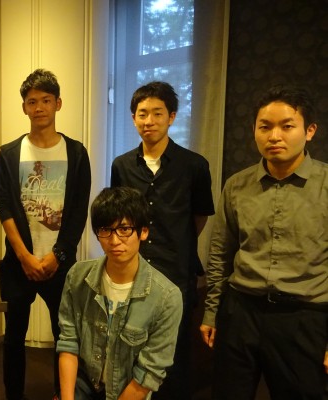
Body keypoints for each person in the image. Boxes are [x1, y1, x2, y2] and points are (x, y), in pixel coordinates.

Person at [200, 85, 328, 399]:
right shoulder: (237, 185)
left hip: (304, 317)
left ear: (309, 131)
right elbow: (220, 254)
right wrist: (212, 312)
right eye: (265, 127)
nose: (274, 136)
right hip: (241, 312)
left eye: (287, 126)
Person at [110, 81, 214, 400]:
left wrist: (176, 241)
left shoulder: (194, 165)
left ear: (171, 117)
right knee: (131, 346)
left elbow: (199, 217)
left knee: (175, 355)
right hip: (133, 271)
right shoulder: (122, 165)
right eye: (142, 114)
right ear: (133, 118)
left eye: (157, 113)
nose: (149, 121)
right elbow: (119, 216)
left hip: (176, 272)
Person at [0, 68, 91, 400]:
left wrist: (58, 256)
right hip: (17, 264)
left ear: (58, 104)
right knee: (13, 338)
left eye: (46, 100)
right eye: (32, 101)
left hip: (59, 265)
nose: (39, 107)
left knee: (64, 336)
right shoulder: (9, 153)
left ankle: (62, 394)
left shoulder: (76, 153)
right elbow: (4, 207)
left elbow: (78, 210)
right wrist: (24, 256)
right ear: (24, 107)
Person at [57, 186, 183, 400]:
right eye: (106, 229)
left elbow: (148, 373)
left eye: (124, 229)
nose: (114, 241)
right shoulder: (77, 277)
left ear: (143, 232)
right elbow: (69, 343)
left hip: (127, 392)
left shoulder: (166, 297)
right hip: (84, 384)